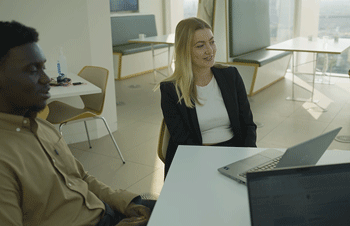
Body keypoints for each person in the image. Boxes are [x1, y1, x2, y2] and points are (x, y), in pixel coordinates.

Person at [0, 21, 154, 226]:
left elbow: (81, 177)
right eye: (32, 70)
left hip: (106, 211)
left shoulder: (43, 127)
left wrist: (126, 204)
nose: (46, 79)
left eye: (43, 67)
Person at [159, 17, 257, 178]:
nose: (210, 50)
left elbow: (248, 125)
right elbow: (183, 140)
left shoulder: (230, 76)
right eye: (200, 45)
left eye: (212, 42)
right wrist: (210, 166)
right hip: (195, 158)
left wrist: (248, 159)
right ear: (185, 50)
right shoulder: (170, 89)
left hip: (233, 153)